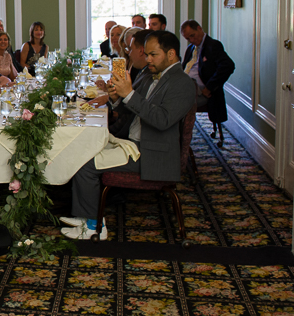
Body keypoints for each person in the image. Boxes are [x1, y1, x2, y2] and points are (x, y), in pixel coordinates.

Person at [62, 31, 196, 241]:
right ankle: (84, 215)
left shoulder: (182, 83)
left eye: (153, 54)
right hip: (134, 144)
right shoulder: (153, 76)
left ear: (171, 54)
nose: (148, 59)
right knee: (81, 150)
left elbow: (162, 120)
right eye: (147, 54)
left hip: (152, 153)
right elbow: (134, 108)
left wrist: (130, 94)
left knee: (86, 163)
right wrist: (117, 98)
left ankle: (94, 226)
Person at [180, 19, 235, 127]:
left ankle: (183, 138)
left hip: (203, 91)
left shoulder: (213, 45)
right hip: (187, 88)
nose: (191, 40)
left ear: (199, 28)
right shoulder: (191, 48)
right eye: (188, 38)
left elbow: (228, 66)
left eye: (192, 35)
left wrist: (209, 87)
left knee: (179, 104)